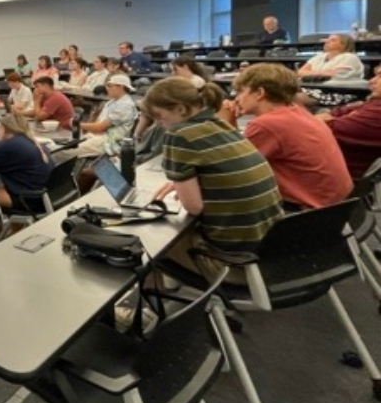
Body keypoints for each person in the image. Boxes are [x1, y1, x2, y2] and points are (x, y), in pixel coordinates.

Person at [143, 77, 283, 282]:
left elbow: (194, 207)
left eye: (159, 116)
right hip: (272, 247)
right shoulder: (220, 124)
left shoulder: (179, 134)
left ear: (181, 109)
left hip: (234, 260)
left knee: (150, 237)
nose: (157, 123)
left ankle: (148, 311)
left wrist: (185, 189)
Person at [217, 63, 352, 210]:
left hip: (304, 215)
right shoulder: (297, 111)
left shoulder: (266, 125)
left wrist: (222, 123)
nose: (236, 99)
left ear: (259, 93)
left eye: (241, 92)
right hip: (336, 208)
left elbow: (227, 170)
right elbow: (241, 153)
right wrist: (231, 123)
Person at [315, 64, 381, 177]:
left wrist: (328, 119)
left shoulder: (377, 113)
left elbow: (324, 126)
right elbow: (336, 112)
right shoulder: (374, 102)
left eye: (380, 77)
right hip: (327, 164)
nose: (371, 81)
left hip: (336, 175)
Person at [0, 114, 53, 210]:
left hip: (29, 199)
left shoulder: (10, 144)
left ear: (5, 129)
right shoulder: (32, 141)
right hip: (46, 194)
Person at [59, 74, 138, 161]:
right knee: (60, 146)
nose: (107, 88)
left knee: (62, 153)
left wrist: (75, 124)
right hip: (98, 137)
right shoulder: (112, 102)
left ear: (121, 87)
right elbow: (96, 125)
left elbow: (99, 127)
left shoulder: (125, 105)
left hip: (109, 143)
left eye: (110, 86)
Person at [297, 33, 364, 81]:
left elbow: (334, 75)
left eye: (333, 40)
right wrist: (321, 73)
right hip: (313, 86)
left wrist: (310, 73)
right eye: (327, 39)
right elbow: (300, 72)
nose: (327, 41)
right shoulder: (319, 57)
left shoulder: (350, 57)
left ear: (344, 44)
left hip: (337, 90)